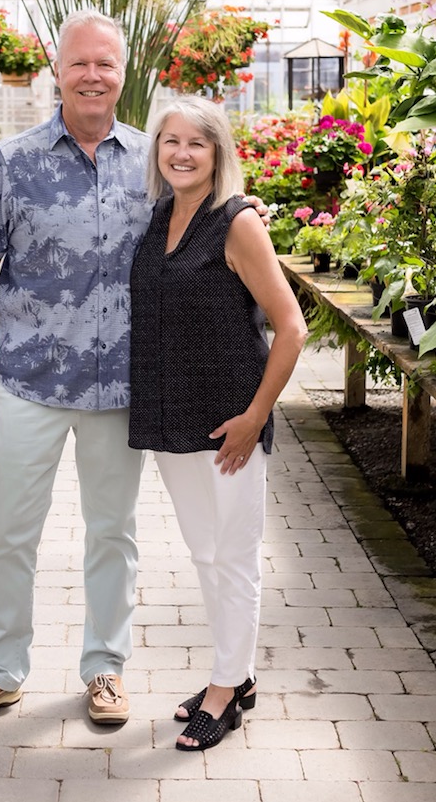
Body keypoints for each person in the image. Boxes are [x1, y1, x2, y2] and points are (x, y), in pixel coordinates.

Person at [0, 9, 152, 728]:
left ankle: (106, 668)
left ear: (121, 72)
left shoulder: (153, 161)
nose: (93, 75)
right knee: (9, 530)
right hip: (29, 381)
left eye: (106, 63)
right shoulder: (14, 160)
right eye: (80, 63)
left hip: (120, 386)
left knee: (113, 532)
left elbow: (202, 238)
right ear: (57, 69)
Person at [128, 96, 307, 752]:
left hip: (230, 420)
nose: (180, 153)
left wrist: (255, 416)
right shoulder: (158, 219)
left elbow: (292, 328)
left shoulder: (237, 223)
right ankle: (239, 673)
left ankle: (226, 694)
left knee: (232, 556)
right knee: (206, 552)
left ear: (218, 153)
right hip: (172, 415)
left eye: (195, 144)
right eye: (169, 141)